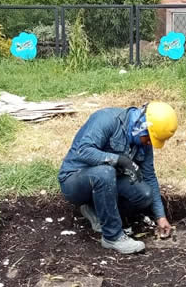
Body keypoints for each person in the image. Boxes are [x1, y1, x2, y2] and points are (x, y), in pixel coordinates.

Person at [58, 102, 178, 254]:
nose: (149, 143)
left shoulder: (143, 139)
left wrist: (160, 217)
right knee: (105, 173)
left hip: (105, 181)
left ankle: (95, 211)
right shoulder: (107, 119)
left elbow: (149, 176)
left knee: (144, 194)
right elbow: (83, 151)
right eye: (149, 138)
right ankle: (112, 237)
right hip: (74, 180)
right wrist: (118, 160)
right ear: (141, 125)